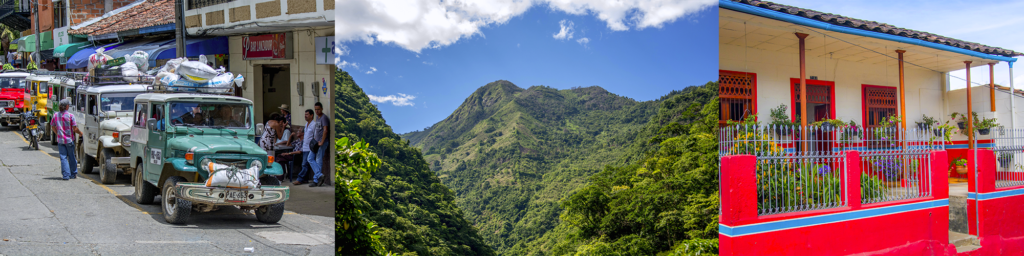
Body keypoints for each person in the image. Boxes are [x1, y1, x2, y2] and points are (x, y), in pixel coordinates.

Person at [52, 99, 83, 180]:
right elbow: (75, 129)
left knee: (63, 157)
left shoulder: (55, 115)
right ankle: (73, 174)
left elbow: (53, 126)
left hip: (60, 140)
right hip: (69, 140)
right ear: (66, 106)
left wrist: (57, 133)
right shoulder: (70, 116)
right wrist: (80, 133)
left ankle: (66, 175)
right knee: (71, 156)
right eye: (68, 105)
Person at [294, 109, 316, 185]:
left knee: (304, 164)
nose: (305, 116)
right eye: (305, 114)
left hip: (310, 147)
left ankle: (300, 179)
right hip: (305, 147)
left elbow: (315, 136)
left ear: (311, 115)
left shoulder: (314, 125)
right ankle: (305, 179)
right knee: (305, 164)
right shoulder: (306, 124)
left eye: (307, 114)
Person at [310, 102, 329, 187]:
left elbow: (325, 130)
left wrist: (322, 141)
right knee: (310, 158)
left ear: (322, 109)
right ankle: (319, 175)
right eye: (315, 109)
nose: (317, 111)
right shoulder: (317, 117)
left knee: (318, 161)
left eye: (318, 109)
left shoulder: (324, 118)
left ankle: (316, 180)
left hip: (321, 143)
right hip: (316, 143)